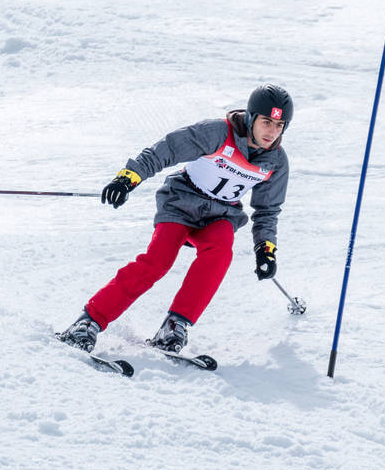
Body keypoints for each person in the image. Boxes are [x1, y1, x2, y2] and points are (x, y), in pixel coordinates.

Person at [58, 84, 293, 354]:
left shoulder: (276, 162)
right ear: (252, 118)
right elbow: (165, 150)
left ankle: (174, 325)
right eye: (266, 122)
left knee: (220, 252)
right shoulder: (218, 132)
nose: (272, 132)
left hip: (221, 215)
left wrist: (266, 249)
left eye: (279, 125)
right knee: (157, 262)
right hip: (181, 203)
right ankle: (89, 321)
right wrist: (128, 178)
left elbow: (267, 211)